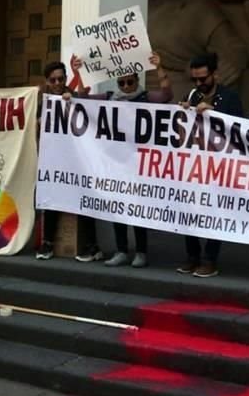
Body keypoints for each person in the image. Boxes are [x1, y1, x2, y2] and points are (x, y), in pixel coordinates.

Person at [70, 53, 173, 268]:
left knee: (137, 209)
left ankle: (141, 252)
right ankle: (121, 250)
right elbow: (83, 100)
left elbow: (166, 94)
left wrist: (159, 68)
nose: (126, 86)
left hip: (138, 163)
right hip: (115, 163)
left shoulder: (145, 98)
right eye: (122, 82)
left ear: (137, 81)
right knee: (117, 207)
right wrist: (78, 73)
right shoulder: (109, 98)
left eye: (130, 82)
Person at [176, 53, 243, 278]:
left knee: (215, 210)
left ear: (215, 75)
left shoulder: (230, 98)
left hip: (220, 166)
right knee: (189, 208)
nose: (198, 84)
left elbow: (239, 128)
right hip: (194, 165)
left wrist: (213, 113)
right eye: (194, 79)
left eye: (203, 79)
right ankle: (192, 256)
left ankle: (209, 259)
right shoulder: (192, 96)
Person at [36, 61, 103, 262]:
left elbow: (88, 106)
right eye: (53, 80)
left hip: (79, 161)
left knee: (83, 200)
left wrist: (74, 99)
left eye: (61, 79)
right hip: (55, 160)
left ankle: (92, 246)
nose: (57, 83)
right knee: (51, 199)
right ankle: (47, 243)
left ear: (66, 79)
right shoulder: (44, 103)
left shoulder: (75, 97)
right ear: (47, 82)